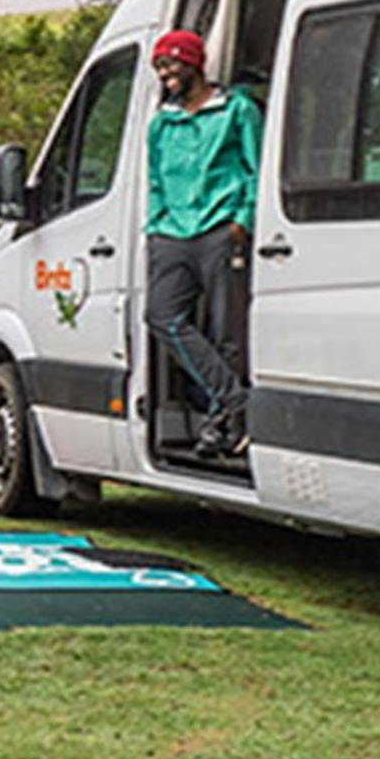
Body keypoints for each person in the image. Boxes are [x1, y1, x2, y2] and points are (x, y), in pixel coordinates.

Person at [144, 28, 262, 458]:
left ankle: (221, 424)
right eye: (159, 66)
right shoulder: (162, 123)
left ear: (193, 63)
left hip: (219, 229)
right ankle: (235, 400)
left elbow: (255, 168)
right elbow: (155, 179)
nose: (165, 73)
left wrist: (241, 222)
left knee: (225, 330)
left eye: (170, 64)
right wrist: (156, 225)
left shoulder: (236, 111)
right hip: (172, 233)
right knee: (161, 316)